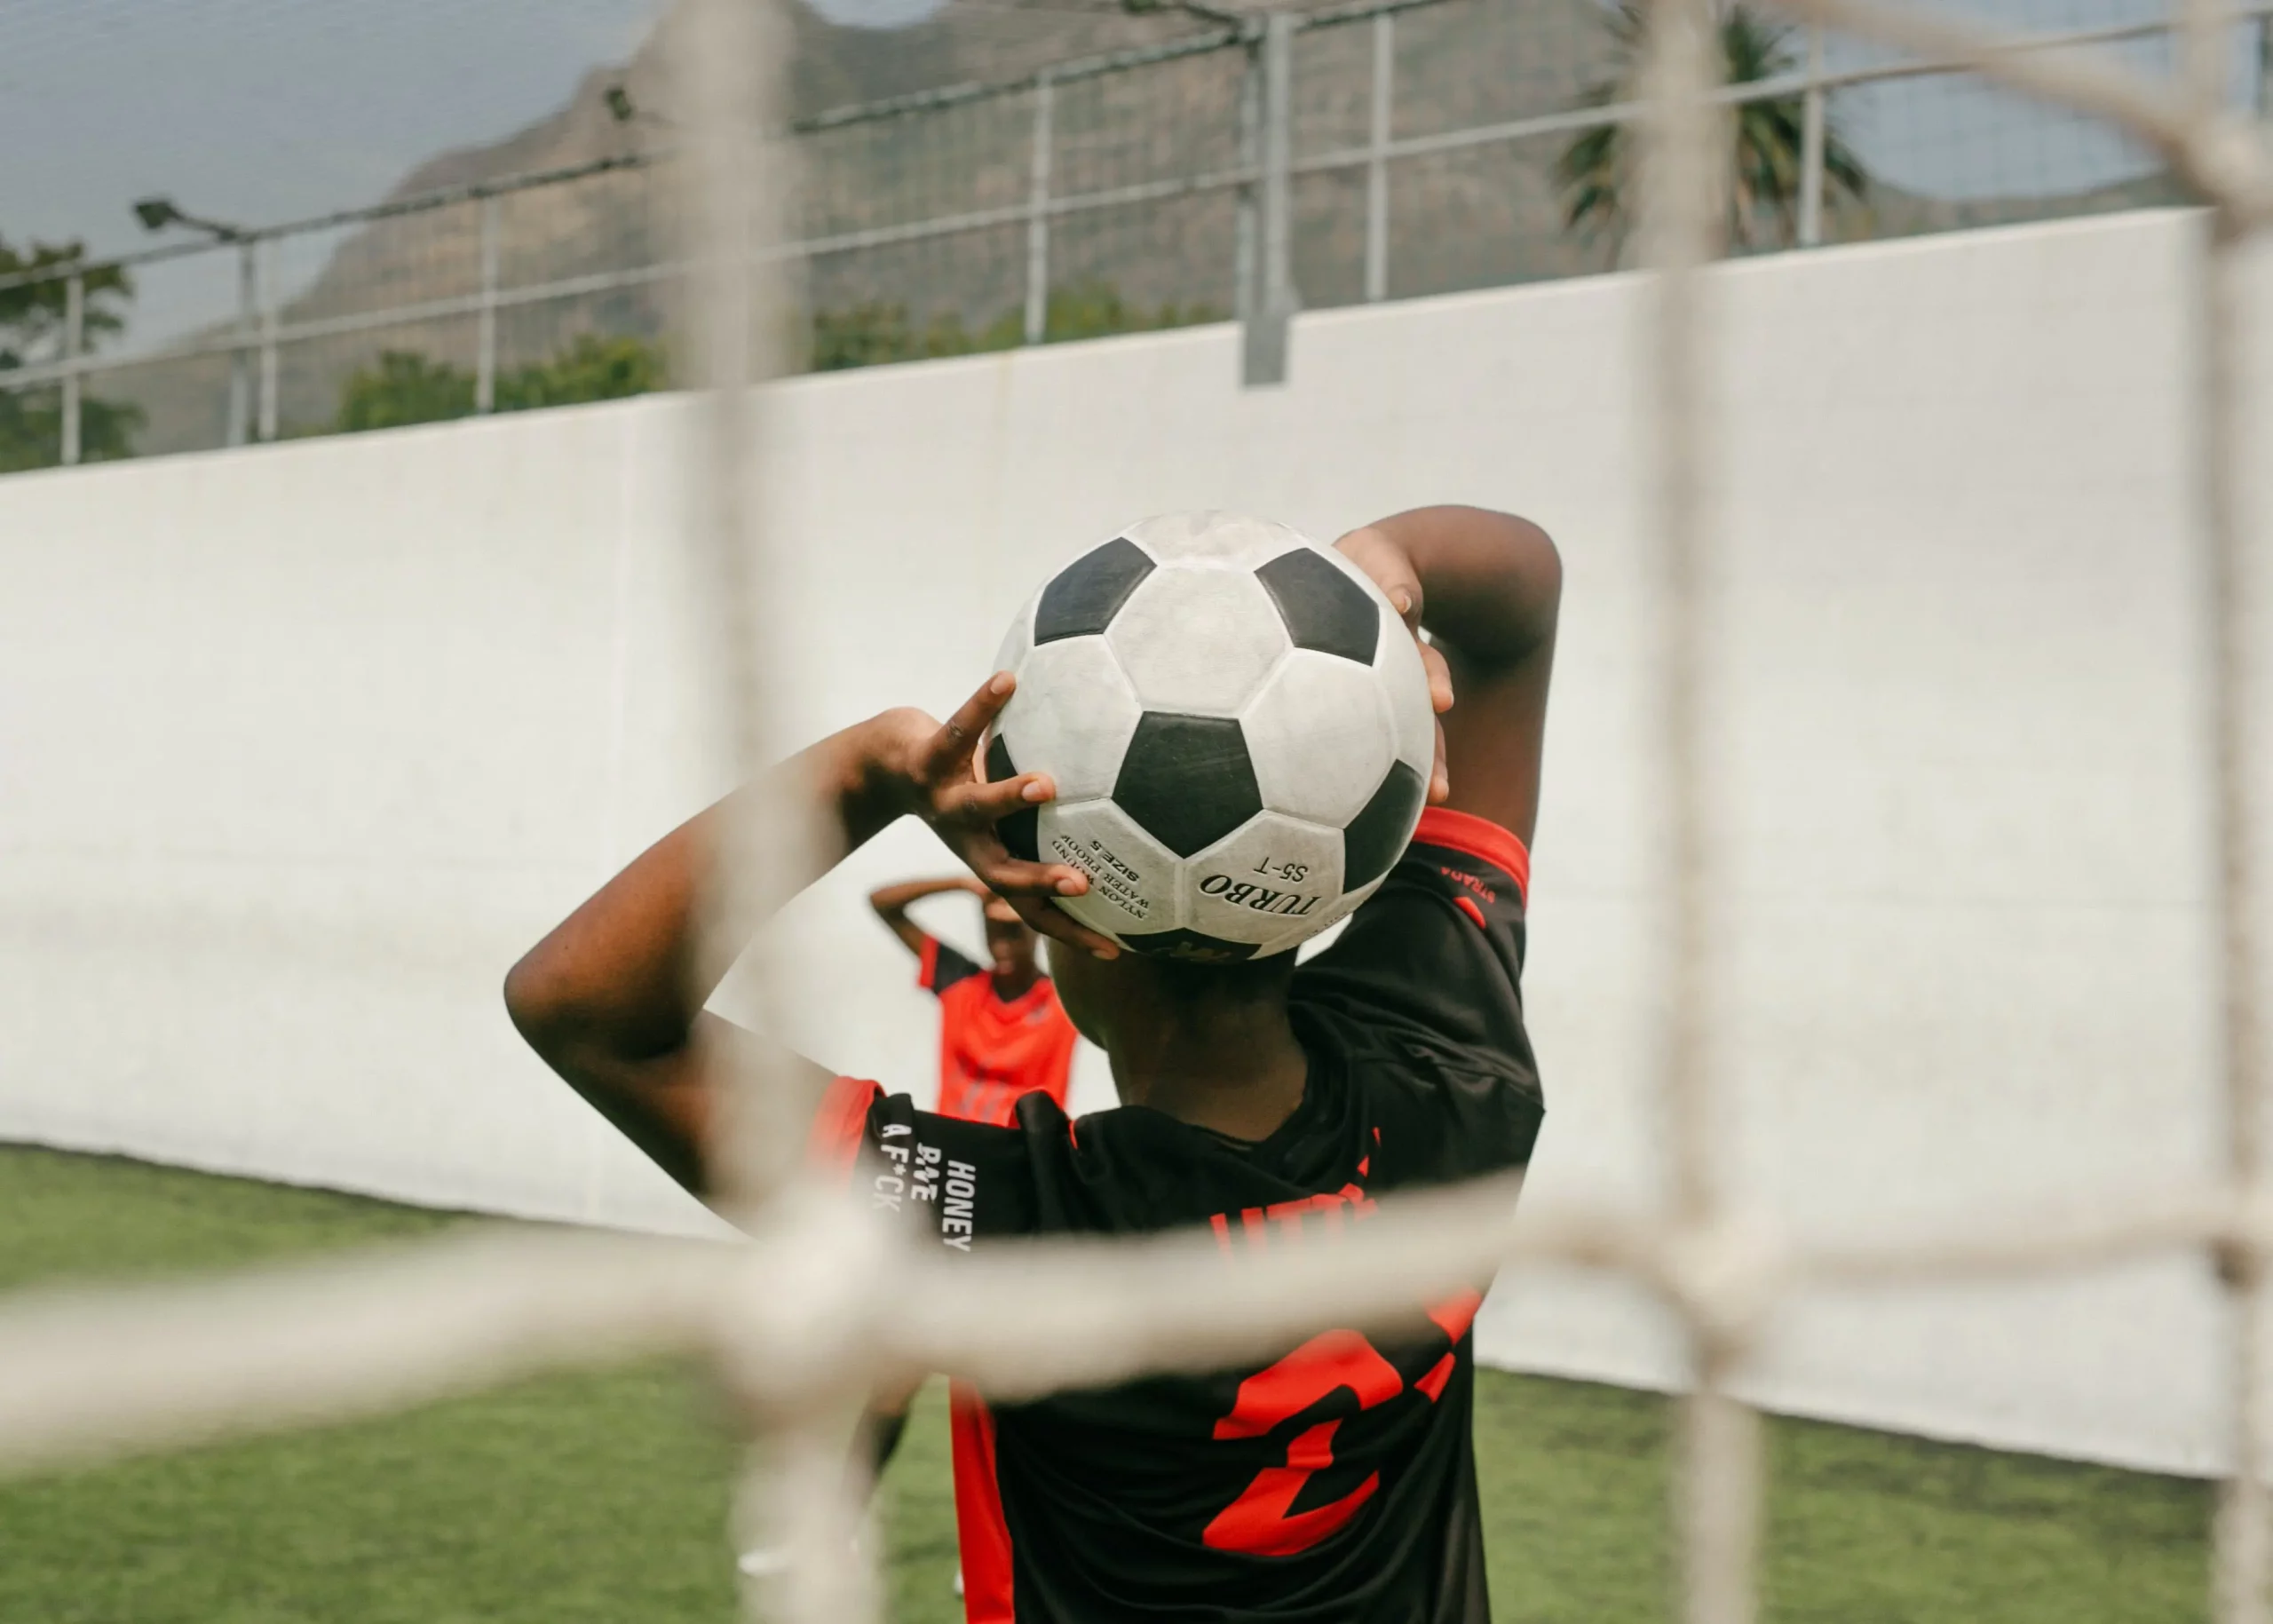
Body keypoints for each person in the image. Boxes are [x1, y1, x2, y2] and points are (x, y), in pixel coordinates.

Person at [503, 505, 1559, 1624]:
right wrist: (1380, 572)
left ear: (1064, 919)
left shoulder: (1014, 1234)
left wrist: (874, 772)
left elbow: (581, 1007)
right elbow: (1519, 596)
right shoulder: (1457, 1078)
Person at [867, 876, 1079, 1128]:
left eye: (1013, 933)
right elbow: (883, 903)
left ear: (1037, 933)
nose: (1002, 947)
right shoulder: (961, 982)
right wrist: (964, 883)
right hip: (955, 1145)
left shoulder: (1064, 998)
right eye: (993, 931)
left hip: (1026, 1153)